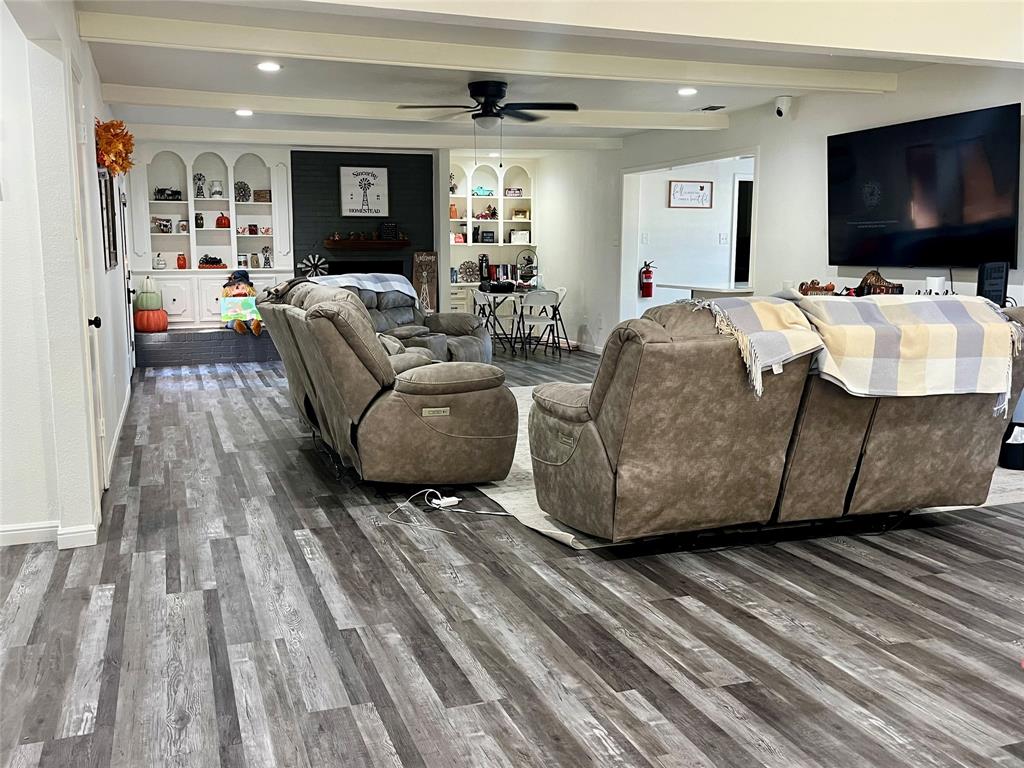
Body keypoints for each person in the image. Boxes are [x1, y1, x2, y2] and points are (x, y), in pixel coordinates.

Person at [221, 269, 263, 335]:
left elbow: (252, 309)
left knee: (251, 320)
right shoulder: (230, 299)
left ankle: (255, 326)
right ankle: (238, 325)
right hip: (234, 317)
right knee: (232, 322)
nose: (237, 288)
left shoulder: (249, 299)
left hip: (248, 316)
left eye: (242, 287)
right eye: (235, 287)